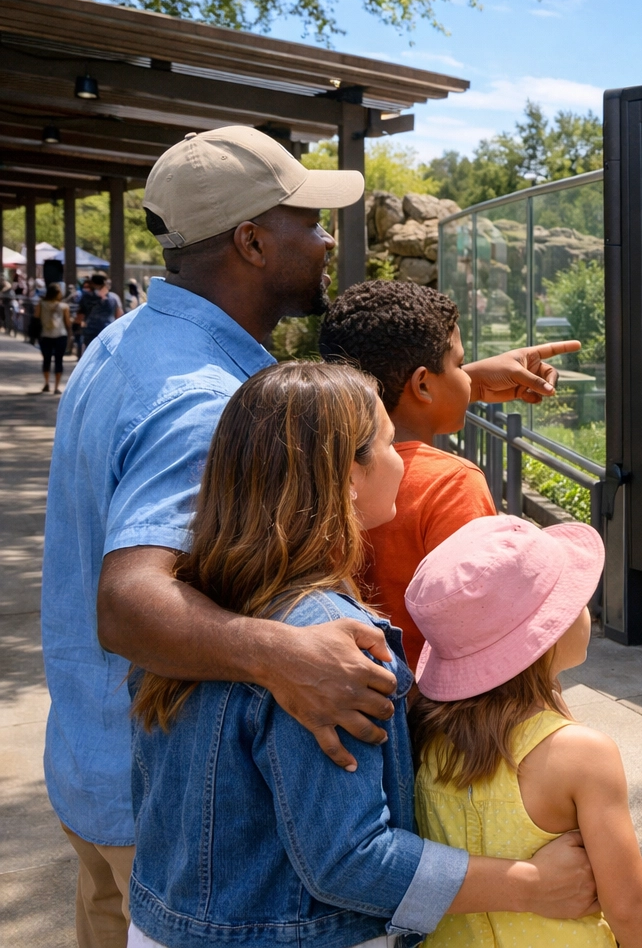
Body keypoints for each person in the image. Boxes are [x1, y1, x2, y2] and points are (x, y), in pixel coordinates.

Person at [43, 125, 593, 948]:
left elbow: (310, 433)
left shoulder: (132, 345)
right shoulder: (203, 403)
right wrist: (284, 657)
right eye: (308, 220)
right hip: (188, 833)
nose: (329, 236)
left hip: (101, 780)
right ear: (253, 241)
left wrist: (456, 384)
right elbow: (129, 603)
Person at [129, 361, 591, 948]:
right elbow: (349, 860)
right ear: (348, 472)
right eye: (389, 443)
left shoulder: (185, 610)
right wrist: (528, 884)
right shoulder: (332, 642)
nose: (401, 459)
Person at [409, 515, 642, 948]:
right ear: (545, 636)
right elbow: (630, 908)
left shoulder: (424, 735)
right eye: (573, 601)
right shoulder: (581, 755)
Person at [318, 280, 578, 669]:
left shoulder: (318, 469)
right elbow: (486, 617)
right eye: (459, 364)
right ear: (423, 383)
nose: (469, 377)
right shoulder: (451, 482)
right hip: (442, 706)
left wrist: (456, 382)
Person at [35, 281, 70, 393]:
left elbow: (36, 317)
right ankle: (56, 387)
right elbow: (67, 323)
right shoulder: (64, 306)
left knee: (46, 359)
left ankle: (46, 383)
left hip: (45, 334)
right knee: (59, 360)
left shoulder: (41, 304)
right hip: (61, 334)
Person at [79, 273, 123, 352]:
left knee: (91, 355)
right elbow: (119, 315)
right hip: (108, 331)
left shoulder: (86, 297)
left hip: (90, 332)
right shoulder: (114, 297)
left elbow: (80, 315)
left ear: (92, 283)